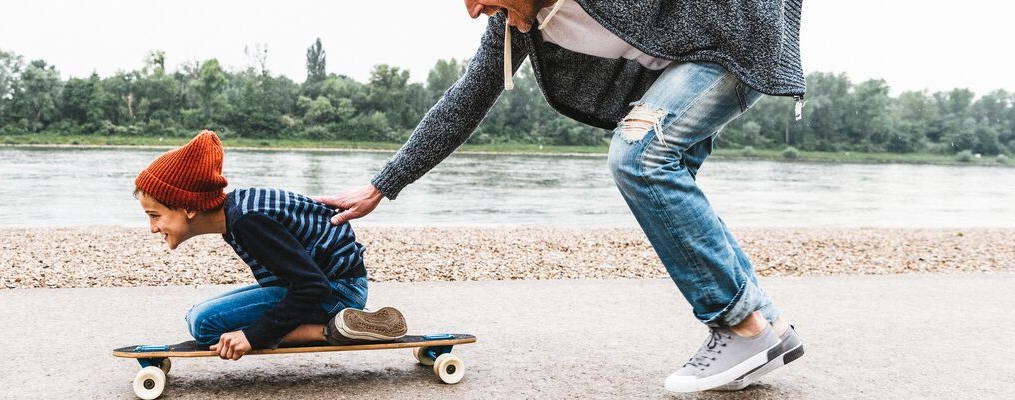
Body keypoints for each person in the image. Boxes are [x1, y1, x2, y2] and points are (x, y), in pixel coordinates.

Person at [315, 0, 806, 392]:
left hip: (737, 35)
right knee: (670, 186)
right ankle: (769, 326)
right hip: (688, 64)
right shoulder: (515, 23)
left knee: (640, 156)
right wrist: (384, 184)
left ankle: (740, 327)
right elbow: (466, 99)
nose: (472, 10)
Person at [134, 130, 408, 361]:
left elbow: (314, 286)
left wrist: (252, 336)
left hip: (338, 290)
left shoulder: (247, 221)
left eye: (155, 215)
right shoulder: (238, 211)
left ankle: (332, 329)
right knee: (196, 315)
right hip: (333, 283)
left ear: (188, 207)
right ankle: (341, 321)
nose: (153, 227)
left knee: (205, 324)